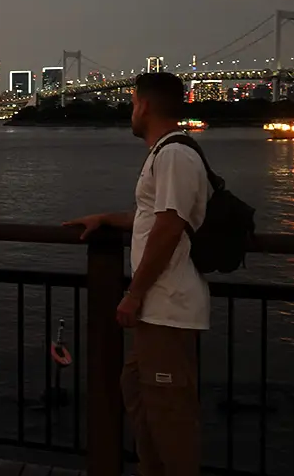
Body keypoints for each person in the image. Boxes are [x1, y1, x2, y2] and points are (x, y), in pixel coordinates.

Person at [64, 71, 209, 476]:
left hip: (168, 309)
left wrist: (134, 294)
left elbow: (170, 227)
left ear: (143, 105)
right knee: (142, 403)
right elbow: (153, 218)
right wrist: (106, 219)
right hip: (155, 312)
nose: (131, 111)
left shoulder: (176, 155)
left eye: (131, 104)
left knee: (171, 420)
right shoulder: (163, 154)